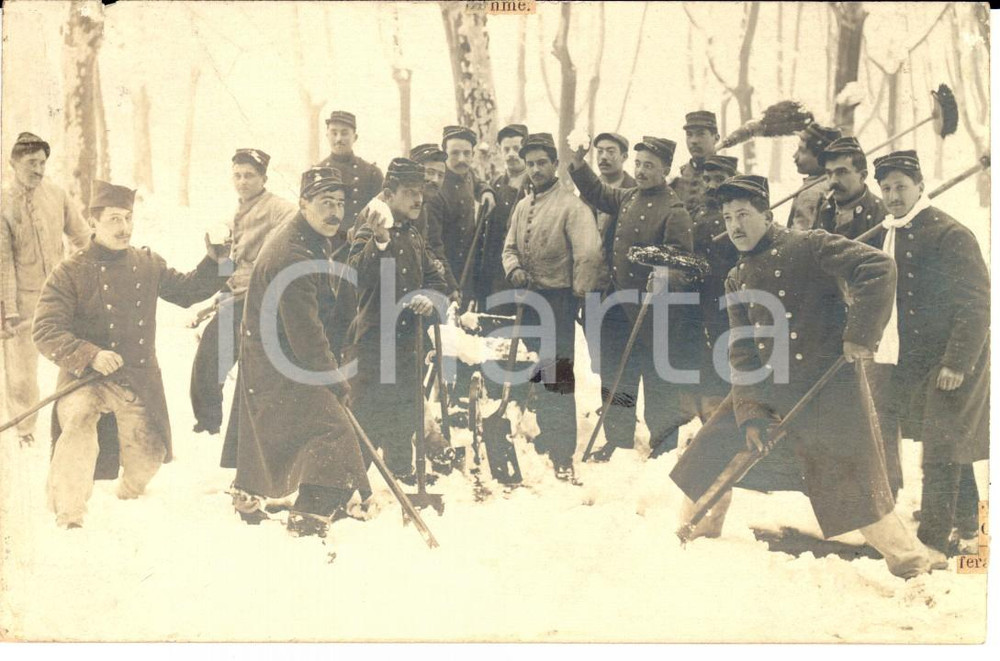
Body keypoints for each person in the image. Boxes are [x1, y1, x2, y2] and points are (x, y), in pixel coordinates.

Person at [669, 174, 947, 579]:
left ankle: (911, 563)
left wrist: (859, 335)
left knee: (855, 488)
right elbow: (743, 353)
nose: (734, 226)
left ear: (767, 214)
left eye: (743, 214)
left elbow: (878, 266)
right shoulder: (737, 278)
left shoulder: (810, 245)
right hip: (768, 389)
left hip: (830, 391)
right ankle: (697, 539)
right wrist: (750, 414)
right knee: (708, 453)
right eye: (728, 218)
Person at [32, 180, 229, 529]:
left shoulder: (145, 263)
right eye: (114, 220)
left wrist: (217, 261)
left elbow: (187, 291)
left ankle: (128, 490)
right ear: (92, 223)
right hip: (85, 377)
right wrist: (90, 354)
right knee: (77, 422)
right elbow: (45, 331)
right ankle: (69, 512)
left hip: (135, 379)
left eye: (128, 218)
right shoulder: (70, 272)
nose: (124, 228)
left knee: (149, 458)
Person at [229, 166, 372, 538]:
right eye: (325, 203)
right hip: (278, 363)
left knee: (296, 430)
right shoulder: (293, 254)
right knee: (334, 429)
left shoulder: (308, 235)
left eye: (340, 203)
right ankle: (310, 515)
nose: (335, 212)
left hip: (281, 355)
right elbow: (307, 336)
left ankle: (253, 496)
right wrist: (334, 379)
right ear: (303, 203)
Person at [868, 150, 989, 556]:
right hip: (915, 357)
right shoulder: (891, 231)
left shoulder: (949, 233)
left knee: (940, 448)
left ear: (920, 186)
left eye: (901, 186)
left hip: (957, 357)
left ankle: (933, 543)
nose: (893, 195)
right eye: (886, 188)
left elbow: (976, 303)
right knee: (951, 443)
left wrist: (957, 363)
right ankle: (972, 530)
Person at [569, 135, 696, 462]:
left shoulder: (675, 210)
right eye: (637, 164)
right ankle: (619, 442)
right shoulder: (628, 197)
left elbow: (684, 264)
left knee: (658, 385)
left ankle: (664, 450)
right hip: (617, 310)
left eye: (649, 166)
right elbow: (596, 192)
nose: (640, 171)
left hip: (654, 315)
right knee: (616, 378)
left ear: (665, 169)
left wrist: (667, 275)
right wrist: (580, 164)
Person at [501, 133, 605, 482]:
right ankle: (541, 437)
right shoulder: (521, 206)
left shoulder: (572, 207)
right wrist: (514, 269)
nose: (535, 170)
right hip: (527, 302)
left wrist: (577, 292)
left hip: (558, 301)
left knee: (558, 376)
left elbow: (589, 254)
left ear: (555, 165)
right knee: (532, 370)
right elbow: (509, 247)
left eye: (542, 163)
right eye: (530, 164)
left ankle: (563, 452)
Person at [348, 158, 454, 483]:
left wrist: (430, 301)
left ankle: (401, 472)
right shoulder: (366, 229)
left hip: (409, 345)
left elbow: (440, 285)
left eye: (420, 192)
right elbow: (356, 276)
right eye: (409, 192)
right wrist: (380, 240)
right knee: (366, 417)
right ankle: (348, 484)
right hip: (374, 346)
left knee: (404, 413)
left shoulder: (413, 235)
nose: (418, 199)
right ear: (388, 194)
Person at [814, 137, 901, 496]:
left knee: (876, 413)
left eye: (843, 172)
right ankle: (846, 492)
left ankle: (887, 491)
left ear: (863, 174)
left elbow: (885, 277)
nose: (834, 180)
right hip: (829, 324)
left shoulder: (883, 215)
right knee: (837, 411)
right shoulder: (826, 210)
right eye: (829, 173)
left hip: (871, 329)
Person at [189, 148, 295, 435]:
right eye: (237, 175)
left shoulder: (279, 208)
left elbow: (282, 252)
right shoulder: (236, 212)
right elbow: (231, 265)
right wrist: (221, 275)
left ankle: (214, 421)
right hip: (236, 293)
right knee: (209, 357)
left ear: (263, 178)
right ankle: (209, 421)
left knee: (219, 350)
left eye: (249, 176)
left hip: (261, 295)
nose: (243, 181)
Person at [1, 132, 91, 447]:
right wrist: (8, 311)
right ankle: (25, 431)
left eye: (42, 163)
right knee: (22, 373)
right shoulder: (3, 204)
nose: (38, 170)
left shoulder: (56, 195)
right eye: (31, 163)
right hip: (21, 304)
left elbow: (83, 236)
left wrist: (95, 268)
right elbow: (4, 264)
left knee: (74, 357)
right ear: (13, 162)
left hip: (59, 296)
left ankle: (76, 420)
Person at [679, 155, 741, 442]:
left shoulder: (739, 216)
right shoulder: (695, 215)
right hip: (698, 303)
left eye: (720, 179)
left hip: (729, 303)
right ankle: (704, 429)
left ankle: (728, 430)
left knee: (728, 364)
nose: (713, 185)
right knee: (701, 362)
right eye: (707, 179)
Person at [425, 125, 496, 302]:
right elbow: (434, 244)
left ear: (473, 154)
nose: (461, 159)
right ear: (444, 153)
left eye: (467, 153)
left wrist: (486, 191)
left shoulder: (468, 172)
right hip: (442, 276)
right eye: (454, 153)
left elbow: (477, 181)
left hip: (468, 270)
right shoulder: (436, 189)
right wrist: (450, 285)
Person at [478, 123, 530, 311]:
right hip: (495, 274)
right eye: (506, 149)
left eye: (516, 149)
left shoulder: (533, 185)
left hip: (523, 275)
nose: (511, 154)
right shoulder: (496, 185)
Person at [317, 110, 384, 234]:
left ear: (355, 137)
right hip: (327, 246)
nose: (338, 139)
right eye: (334, 133)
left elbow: (381, 215)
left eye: (344, 133)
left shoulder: (371, 173)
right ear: (327, 135)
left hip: (361, 244)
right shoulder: (317, 173)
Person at [786, 123, 841, 230]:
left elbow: (798, 237)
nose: (795, 156)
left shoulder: (810, 193)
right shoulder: (833, 183)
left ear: (821, 158)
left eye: (802, 151)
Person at [589, 132, 636, 248]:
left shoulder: (634, 189)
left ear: (624, 157)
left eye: (611, 152)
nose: (604, 157)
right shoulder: (587, 189)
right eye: (600, 151)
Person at [677, 111, 721, 214]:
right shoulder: (677, 180)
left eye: (701, 134)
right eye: (689, 134)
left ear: (716, 138)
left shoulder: (730, 177)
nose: (694, 140)